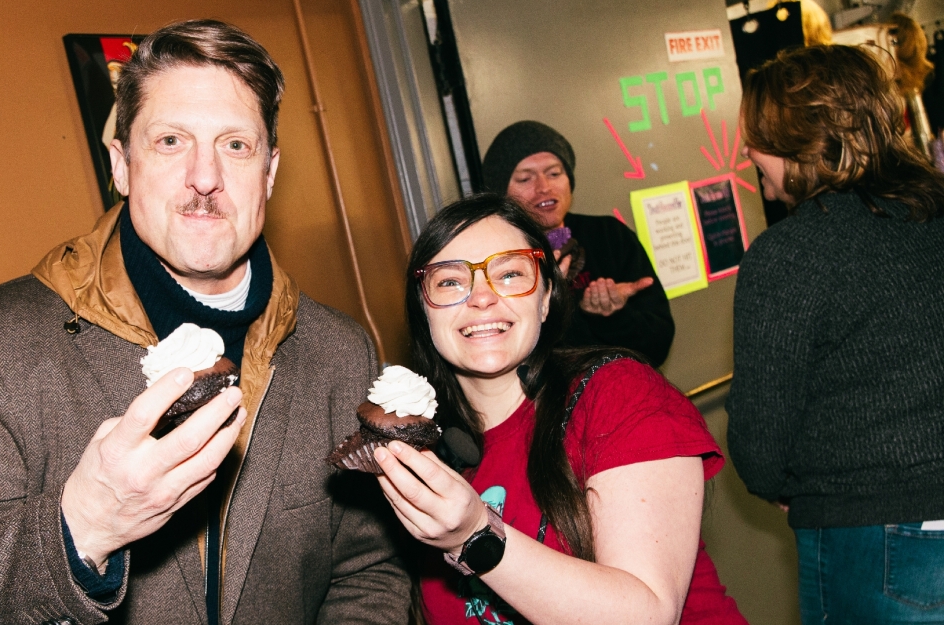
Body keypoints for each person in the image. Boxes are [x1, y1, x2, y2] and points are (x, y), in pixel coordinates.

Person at [0, 20, 409, 624]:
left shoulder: (339, 351)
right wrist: (80, 527)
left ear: (269, 171)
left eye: (236, 145)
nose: (205, 178)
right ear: (122, 164)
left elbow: (367, 570)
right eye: (171, 142)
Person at [375, 194, 746, 624]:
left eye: (510, 273)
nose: (481, 298)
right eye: (451, 282)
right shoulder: (430, 456)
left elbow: (646, 616)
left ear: (547, 297)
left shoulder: (619, 395)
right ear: (423, 311)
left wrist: (476, 535)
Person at [727, 44, 944, 625]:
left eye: (758, 137)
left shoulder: (790, 255)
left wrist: (783, 481)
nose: (748, 153)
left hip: (878, 535)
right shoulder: (934, 211)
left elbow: (760, 444)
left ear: (802, 143)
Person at [482, 121, 675, 366]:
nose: (544, 187)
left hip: (626, 394)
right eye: (525, 179)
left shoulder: (608, 235)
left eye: (554, 173)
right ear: (502, 193)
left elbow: (658, 345)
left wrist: (613, 317)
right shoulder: (495, 262)